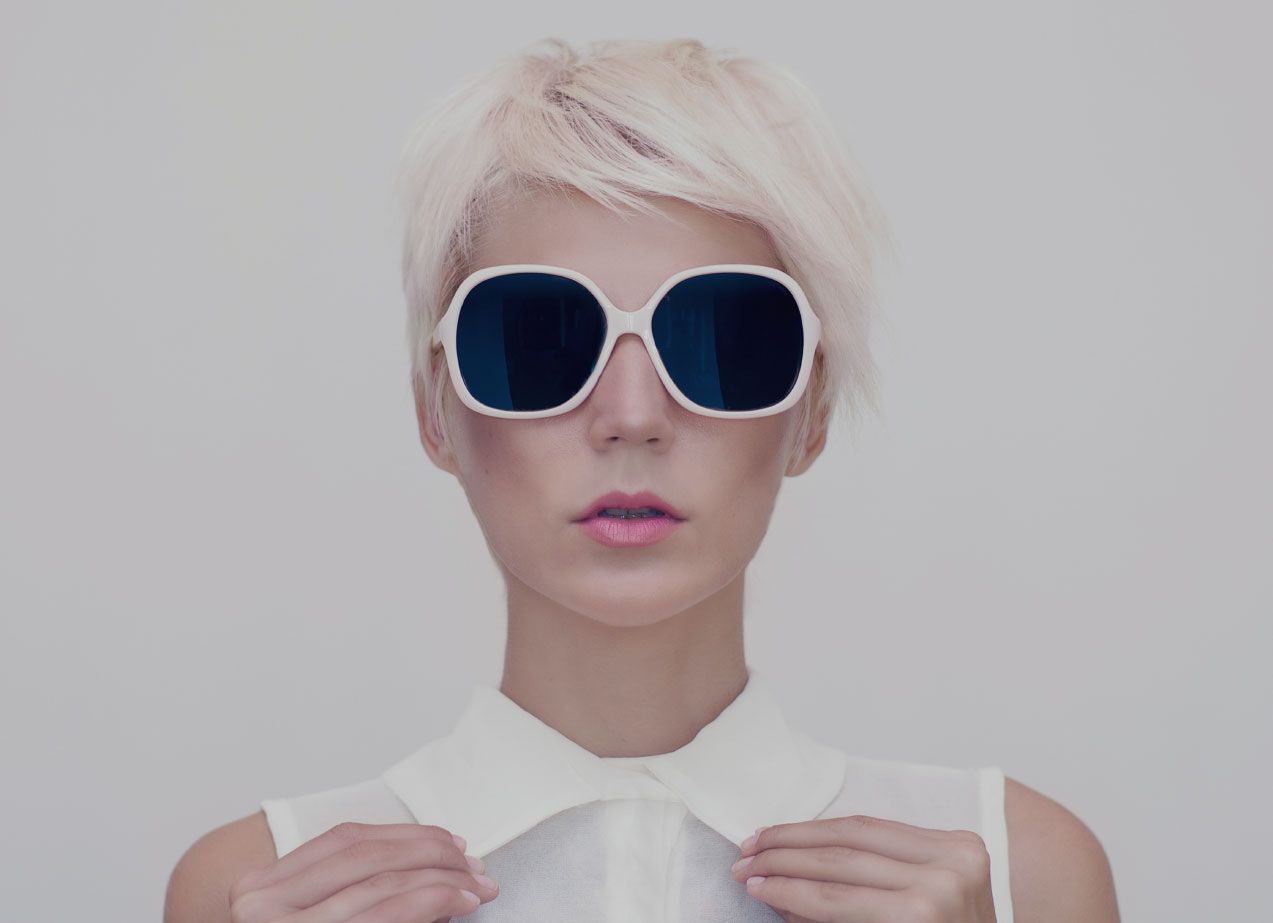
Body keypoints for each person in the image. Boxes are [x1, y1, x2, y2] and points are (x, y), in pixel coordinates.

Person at [165, 36, 1119, 923]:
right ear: (435, 410)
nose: (632, 413)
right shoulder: (256, 884)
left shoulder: (1015, 869)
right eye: (539, 338)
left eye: (722, 340)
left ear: (813, 410)